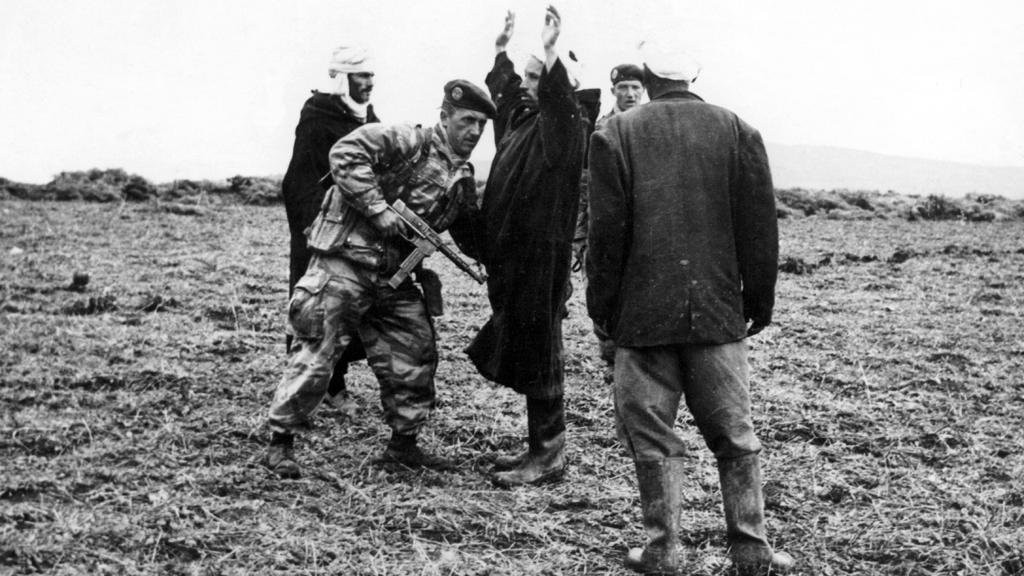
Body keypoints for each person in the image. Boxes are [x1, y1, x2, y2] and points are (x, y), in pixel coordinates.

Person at [586, 42, 795, 575]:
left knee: (652, 436)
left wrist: (603, 308)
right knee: (735, 433)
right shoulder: (738, 129)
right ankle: (752, 551)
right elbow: (759, 228)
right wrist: (758, 301)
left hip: (642, 317)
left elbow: (605, 235)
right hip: (719, 313)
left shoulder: (614, 133)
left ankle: (663, 551)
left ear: (648, 78)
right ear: (695, 75)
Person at [263, 79, 495, 479]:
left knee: (416, 353)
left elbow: (468, 232)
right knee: (316, 354)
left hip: (393, 278)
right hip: (345, 264)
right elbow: (346, 152)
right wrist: (376, 208)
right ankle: (280, 441)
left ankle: (403, 446)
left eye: (481, 125)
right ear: (445, 116)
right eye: (467, 120)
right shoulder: (405, 140)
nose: (474, 131)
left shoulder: (461, 176)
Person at [465, 6, 587, 488]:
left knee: (542, 353)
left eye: (540, 77)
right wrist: (501, 49)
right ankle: (538, 448)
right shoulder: (522, 122)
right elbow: (507, 92)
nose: (532, 84)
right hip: (514, 261)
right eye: (532, 76)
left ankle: (549, 455)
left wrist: (553, 49)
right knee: (528, 347)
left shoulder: (566, 126)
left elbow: (556, 97)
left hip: (542, 263)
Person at [280, 45, 379, 419]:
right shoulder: (317, 117)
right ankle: (309, 391)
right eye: (361, 76)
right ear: (343, 79)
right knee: (315, 308)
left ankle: (336, 383)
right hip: (319, 227)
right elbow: (300, 178)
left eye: (371, 76)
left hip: (356, 229)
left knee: (348, 307)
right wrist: (319, 226)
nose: (369, 83)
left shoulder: (369, 119)